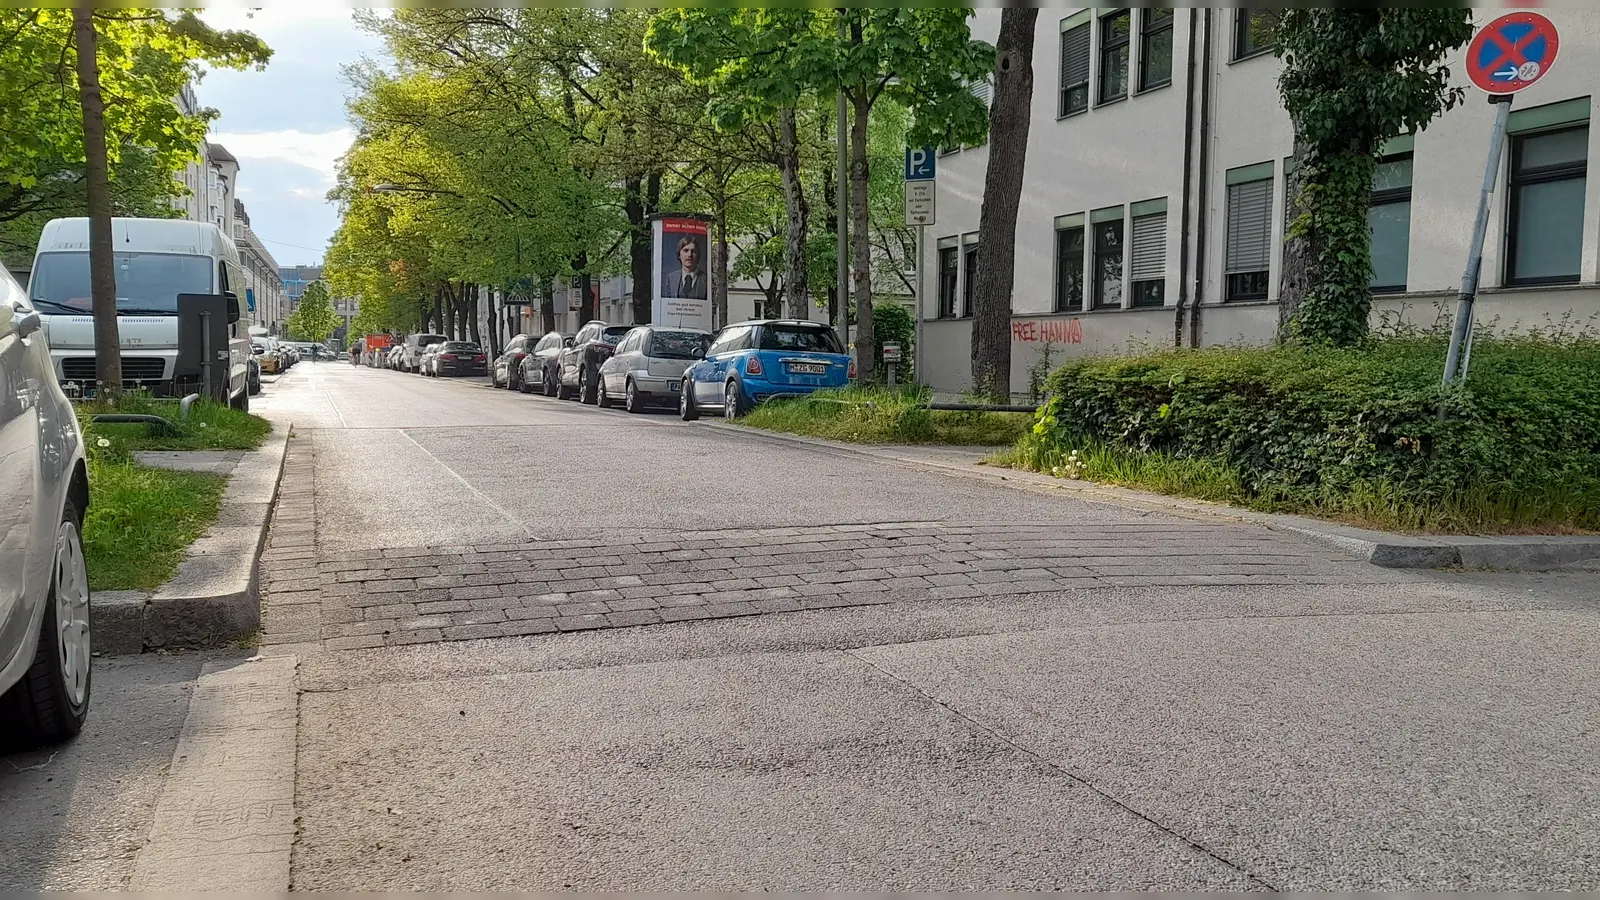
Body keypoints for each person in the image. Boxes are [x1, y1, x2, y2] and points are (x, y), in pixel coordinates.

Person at [662, 235, 707, 300]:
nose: (689, 255)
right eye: (686, 250)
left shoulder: (706, 280)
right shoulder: (670, 279)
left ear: (698, 255)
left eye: (693, 251)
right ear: (679, 255)